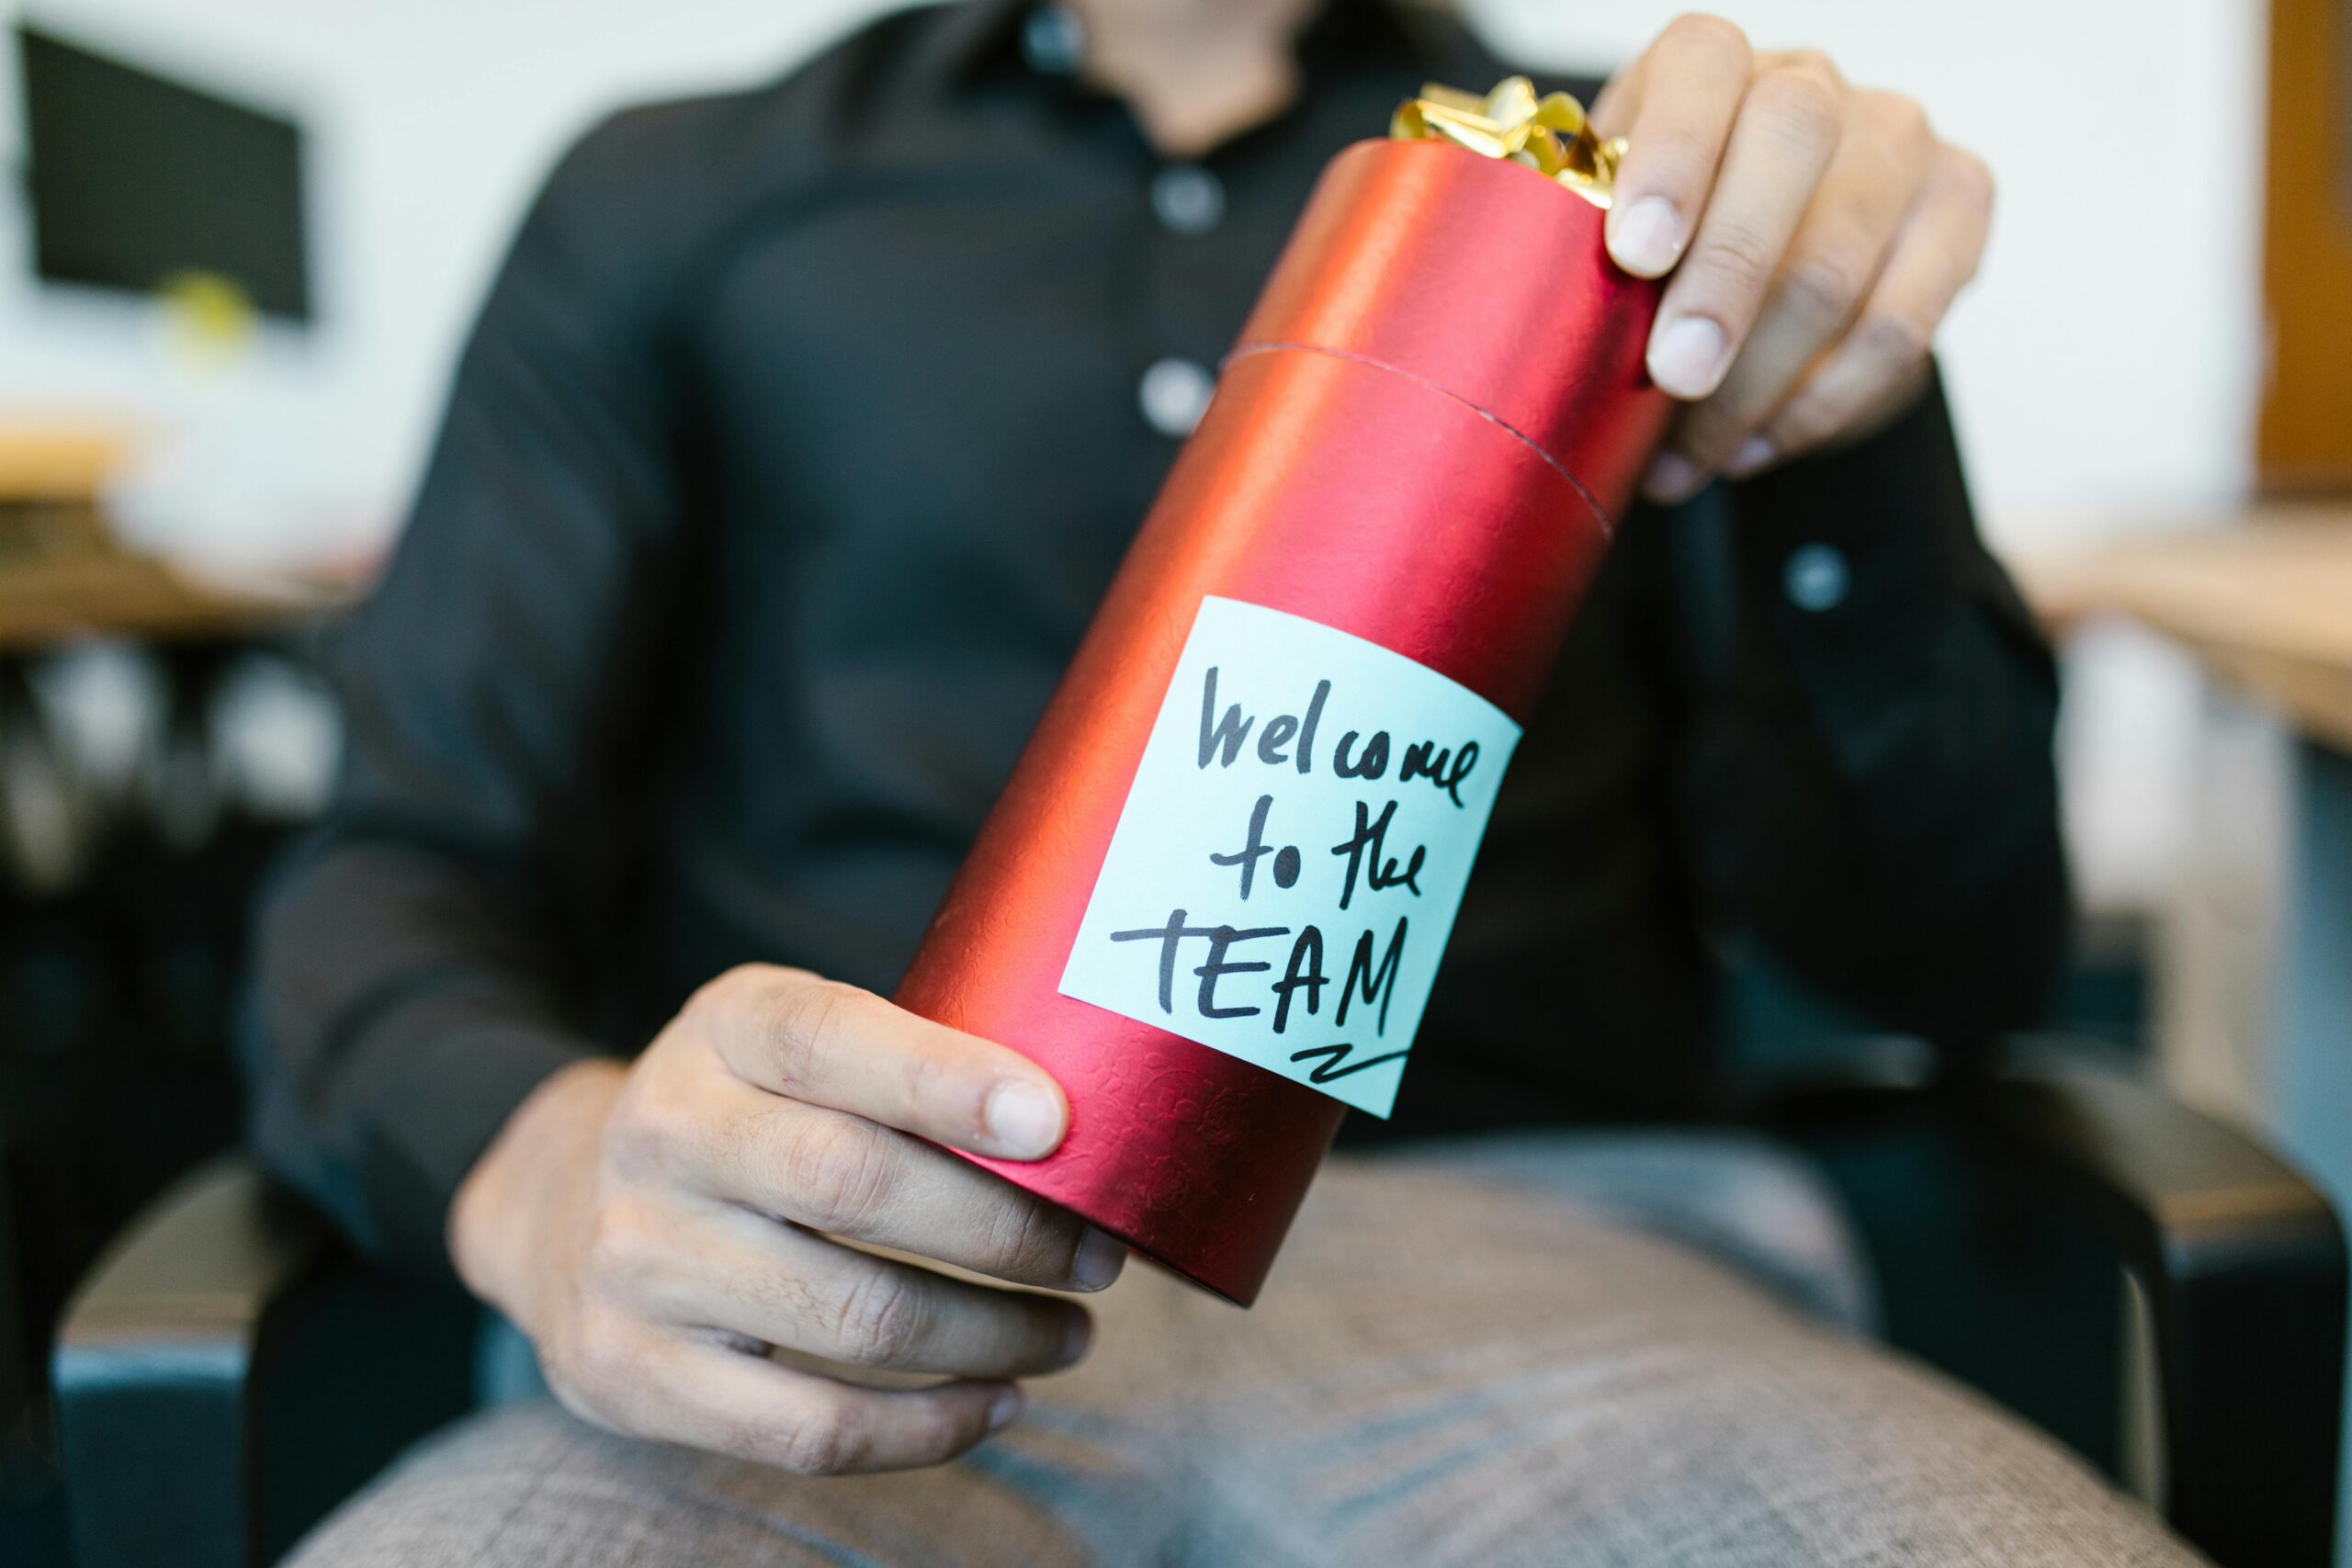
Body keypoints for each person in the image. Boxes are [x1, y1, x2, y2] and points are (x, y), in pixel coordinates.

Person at [247, 1, 2200, 1562]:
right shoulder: (672, 193)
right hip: (823, 1297)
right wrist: (541, 1165)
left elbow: (1958, 952)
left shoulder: (1664, 209)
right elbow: (395, 872)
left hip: (1565, 1274)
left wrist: (1836, 418)